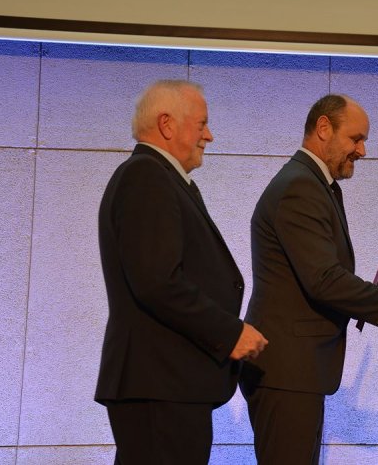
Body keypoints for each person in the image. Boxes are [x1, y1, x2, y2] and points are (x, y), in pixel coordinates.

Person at [240, 93, 378, 464]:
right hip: (286, 372)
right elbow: (325, 281)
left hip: (294, 373)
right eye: (356, 138)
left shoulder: (314, 184)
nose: (362, 150)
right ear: (323, 128)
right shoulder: (300, 186)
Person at [95, 79, 268, 464]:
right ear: (167, 124)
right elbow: (157, 282)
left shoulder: (160, 177)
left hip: (168, 383)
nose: (209, 135)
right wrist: (229, 332)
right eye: (202, 124)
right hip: (160, 383)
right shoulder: (147, 175)